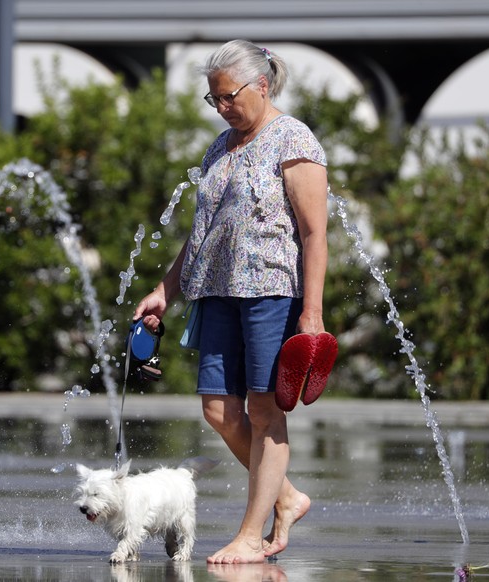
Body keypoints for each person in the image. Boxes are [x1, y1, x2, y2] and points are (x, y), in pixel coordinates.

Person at [133, 39, 329, 564]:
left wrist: (312, 312)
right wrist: (164, 291)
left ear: (261, 87)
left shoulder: (294, 140)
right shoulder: (219, 147)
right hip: (217, 293)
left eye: (227, 97)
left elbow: (314, 235)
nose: (221, 107)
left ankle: (250, 534)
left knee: (266, 412)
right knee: (219, 410)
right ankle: (287, 498)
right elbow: (204, 233)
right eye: (213, 99)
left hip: (271, 293)